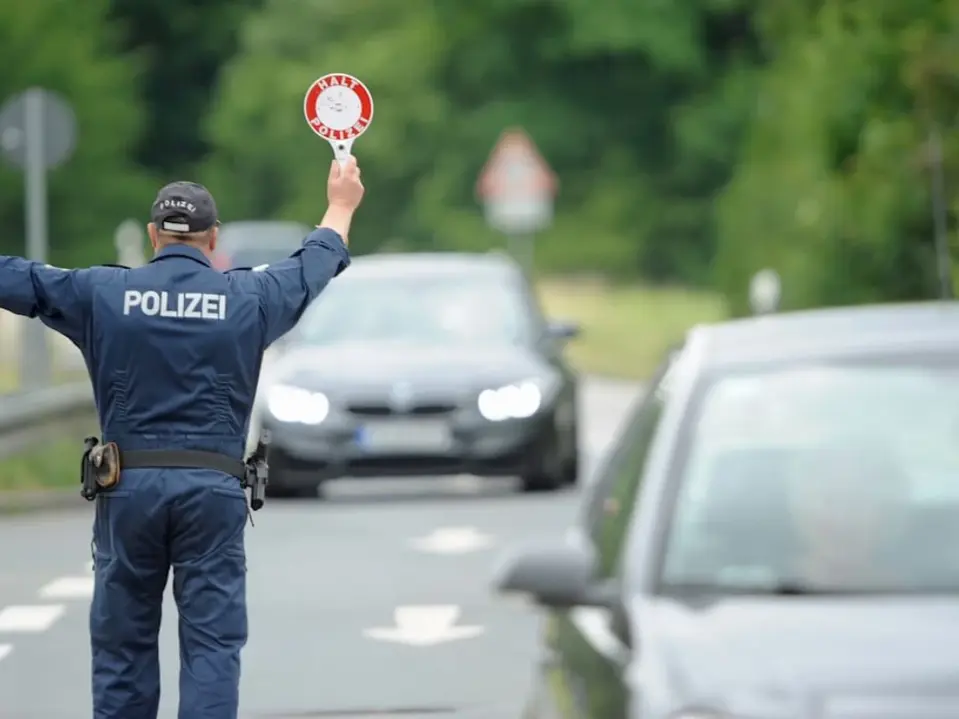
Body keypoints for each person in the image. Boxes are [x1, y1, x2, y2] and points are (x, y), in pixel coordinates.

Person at [0, 157, 365, 718]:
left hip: (127, 492)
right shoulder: (250, 298)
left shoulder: (100, 293)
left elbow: (19, 279)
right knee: (212, 647)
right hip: (212, 493)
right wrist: (340, 205)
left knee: (123, 648)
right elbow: (309, 268)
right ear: (212, 238)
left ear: (152, 237)